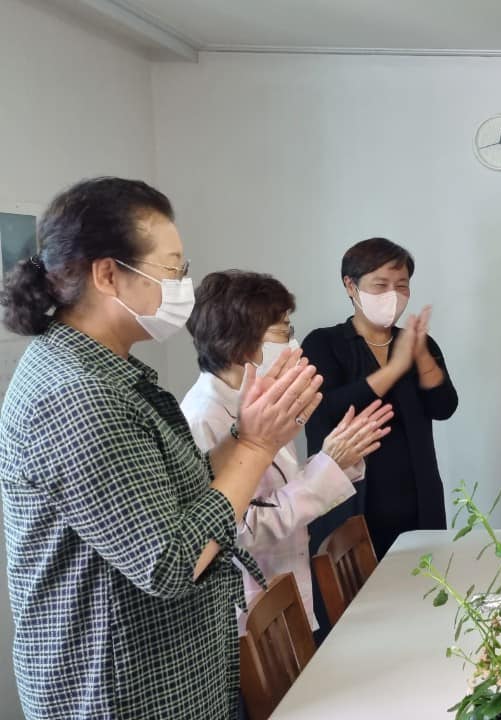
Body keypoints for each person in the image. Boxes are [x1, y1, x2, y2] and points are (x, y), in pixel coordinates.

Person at [0, 178, 321, 719]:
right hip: (119, 693)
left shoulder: (110, 372)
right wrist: (255, 444)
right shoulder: (76, 394)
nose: (183, 286)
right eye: (172, 270)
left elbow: (179, 494)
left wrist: (248, 435)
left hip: (168, 676)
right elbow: (171, 561)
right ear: (107, 274)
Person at [180, 270, 394, 635]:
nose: (294, 344)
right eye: (284, 331)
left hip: (285, 593)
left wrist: (334, 459)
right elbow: (236, 528)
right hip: (248, 615)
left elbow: (280, 490)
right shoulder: (203, 417)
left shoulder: (259, 401)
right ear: (241, 344)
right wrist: (325, 469)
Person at [303, 238, 458, 562]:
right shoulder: (323, 343)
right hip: (350, 507)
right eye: (380, 285)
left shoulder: (418, 342)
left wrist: (420, 355)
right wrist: (394, 368)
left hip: (418, 502)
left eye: (402, 285)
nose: (393, 294)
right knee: (354, 592)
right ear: (350, 285)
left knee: (425, 585)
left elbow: (444, 407)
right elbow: (326, 409)